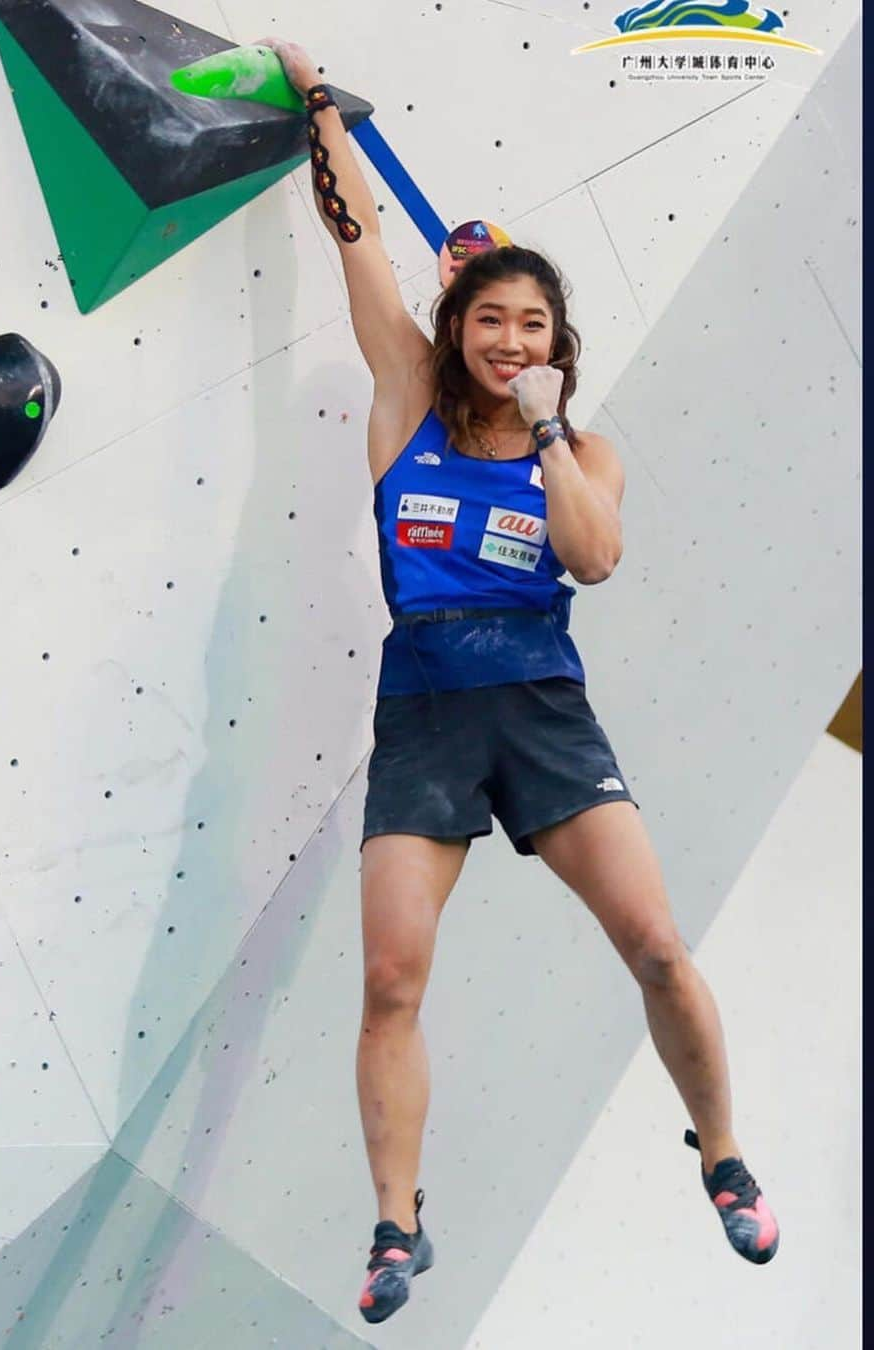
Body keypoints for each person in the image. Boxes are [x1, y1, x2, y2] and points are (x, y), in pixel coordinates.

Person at [260, 36, 781, 1327]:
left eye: (531, 324)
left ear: (558, 343)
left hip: (543, 703)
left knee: (657, 945)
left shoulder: (582, 443)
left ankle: (719, 1154)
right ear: (457, 326)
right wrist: (316, 95)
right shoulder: (405, 401)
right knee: (390, 977)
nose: (507, 338)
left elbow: (596, 560)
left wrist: (548, 423)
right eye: (489, 318)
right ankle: (397, 1222)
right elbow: (358, 243)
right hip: (428, 704)